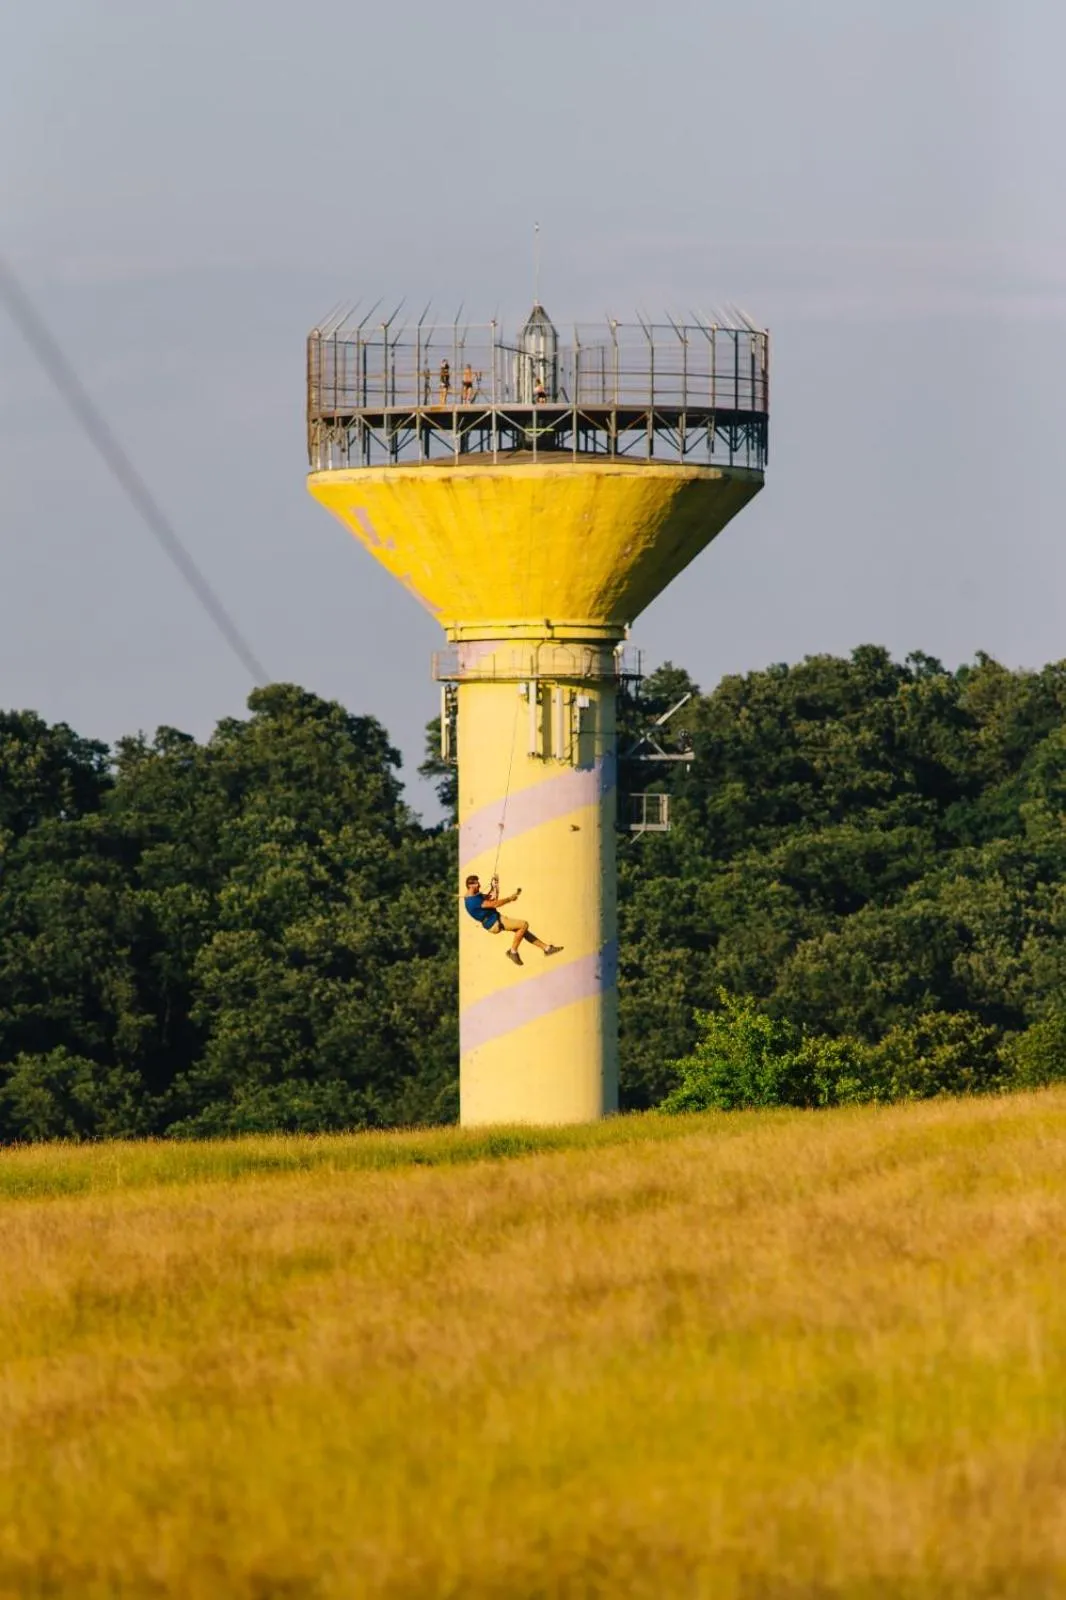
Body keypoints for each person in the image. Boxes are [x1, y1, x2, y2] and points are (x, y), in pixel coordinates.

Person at [463, 874, 562, 967]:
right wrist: (510, 899)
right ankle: (513, 952)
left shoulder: (474, 895)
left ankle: (547, 948)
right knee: (523, 925)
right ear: (470, 885)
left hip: (496, 918)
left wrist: (495, 886)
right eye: (477, 884)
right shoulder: (472, 901)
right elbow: (495, 904)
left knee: (522, 931)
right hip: (494, 923)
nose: (479, 885)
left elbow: (492, 898)